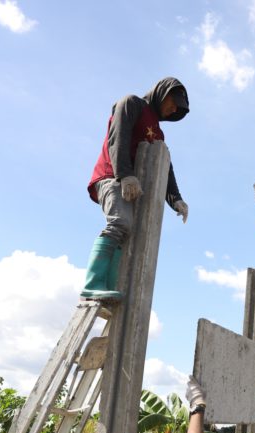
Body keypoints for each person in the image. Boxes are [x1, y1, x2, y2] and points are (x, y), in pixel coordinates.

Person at [81, 77, 190, 300]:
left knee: (126, 231)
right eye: (172, 101)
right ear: (162, 92)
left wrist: (176, 199)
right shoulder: (132, 104)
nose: (172, 109)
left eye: (177, 108)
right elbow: (117, 138)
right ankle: (93, 283)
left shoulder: (158, 132)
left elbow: (164, 165)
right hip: (112, 176)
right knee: (120, 222)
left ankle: (108, 284)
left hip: (130, 185)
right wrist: (125, 175)